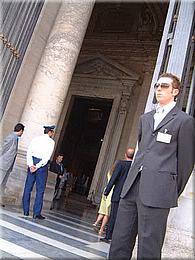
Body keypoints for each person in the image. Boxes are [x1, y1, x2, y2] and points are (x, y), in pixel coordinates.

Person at [109, 73, 195, 259]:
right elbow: (143, 150)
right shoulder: (145, 118)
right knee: (119, 242)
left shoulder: (184, 121)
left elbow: (186, 163)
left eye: (164, 86)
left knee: (149, 248)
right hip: (132, 186)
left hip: (158, 191)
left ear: (175, 92)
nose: (159, 89)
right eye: (157, 86)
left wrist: (170, 190)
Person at [100, 148, 134, 243]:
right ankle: (118, 237)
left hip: (117, 194)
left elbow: (113, 178)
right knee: (123, 217)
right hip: (128, 195)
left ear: (125, 154)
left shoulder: (121, 164)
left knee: (113, 216)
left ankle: (108, 236)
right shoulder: (134, 166)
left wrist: (107, 191)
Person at [22, 125, 55, 219]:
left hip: (32, 163)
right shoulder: (51, 142)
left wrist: (31, 165)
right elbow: (47, 157)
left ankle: (25, 210)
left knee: (28, 188)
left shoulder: (35, 139)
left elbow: (29, 152)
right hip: (41, 166)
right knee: (40, 190)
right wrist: (37, 166)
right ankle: (36, 213)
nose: (52, 134)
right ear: (50, 132)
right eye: (52, 132)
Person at [93, 163, 116, 236]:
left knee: (102, 209)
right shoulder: (116, 174)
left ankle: (96, 222)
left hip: (105, 190)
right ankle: (101, 229)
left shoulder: (109, 172)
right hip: (111, 192)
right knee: (107, 213)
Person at [0, 123, 25, 189]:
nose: (22, 133)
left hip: (7, 165)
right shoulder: (11, 137)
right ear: (21, 130)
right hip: (4, 164)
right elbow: (3, 149)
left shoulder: (15, 138)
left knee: (3, 183)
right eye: (22, 131)